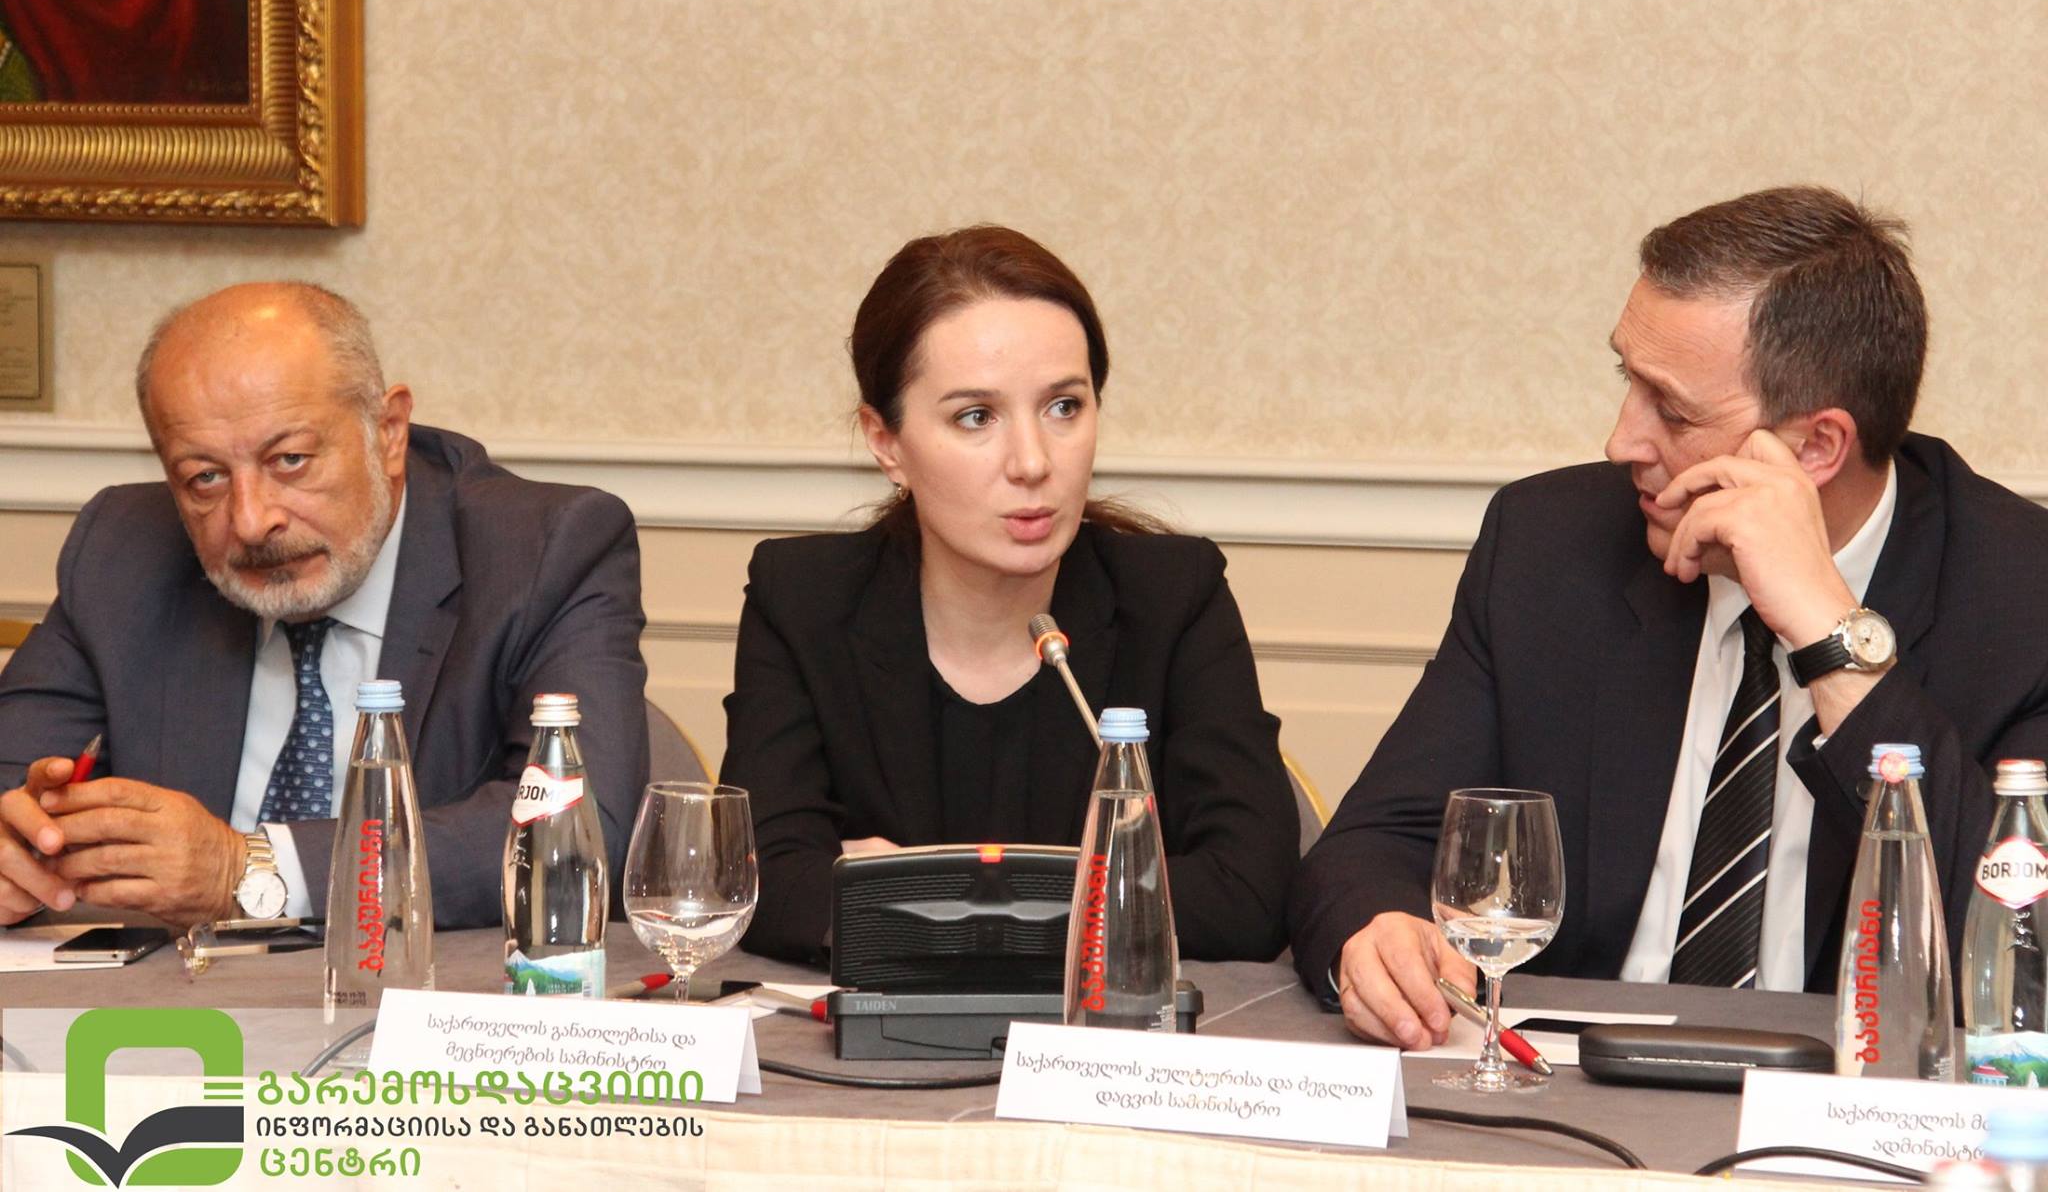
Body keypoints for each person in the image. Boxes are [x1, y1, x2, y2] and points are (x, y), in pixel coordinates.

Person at [1291, 186, 2048, 1048]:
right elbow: (1374, 844)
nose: (1622, 442)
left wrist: (1829, 634)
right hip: (1568, 1086)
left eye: (1675, 411)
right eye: (1630, 381)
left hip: (1856, 1100)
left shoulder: (2021, 596)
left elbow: (2024, 948)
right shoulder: (1551, 545)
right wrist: (1378, 930)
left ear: (1816, 447)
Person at [722, 225, 1298, 965]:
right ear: (886, 442)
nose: (1032, 462)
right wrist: (1107, 893)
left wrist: (907, 896)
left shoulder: (1171, 598)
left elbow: (1249, 895)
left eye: (1064, 407)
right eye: (976, 417)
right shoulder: (804, 600)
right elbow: (761, 881)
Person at [0, 283, 649, 929]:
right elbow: (14, 785)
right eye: (205, 477)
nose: (252, 521)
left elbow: (578, 830)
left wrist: (248, 870)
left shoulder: (544, 549)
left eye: (290, 460)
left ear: (388, 433)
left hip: (424, 983)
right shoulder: (122, 549)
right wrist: (15, 850)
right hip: (181, 989)